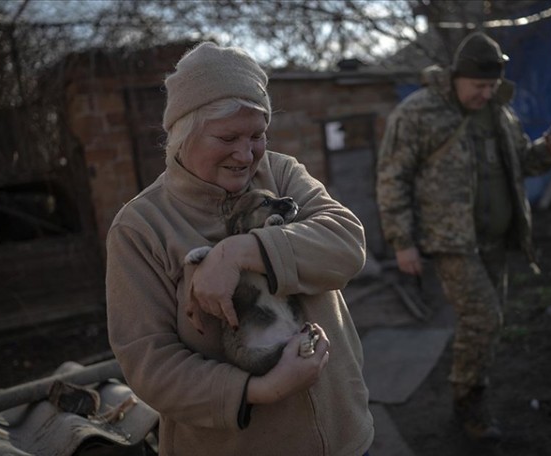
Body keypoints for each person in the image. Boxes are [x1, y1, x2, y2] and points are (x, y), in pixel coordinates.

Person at [106, 42, 374, 455]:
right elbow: (149, 363)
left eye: (257, 135)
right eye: (228, 136)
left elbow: (345, 242)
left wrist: (239, 253)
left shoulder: (281, 174)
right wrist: (259, 389)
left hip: (345, 437)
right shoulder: (140, 228)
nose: (246, 153)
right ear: (181, 134)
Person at [376, 31, 551, 441]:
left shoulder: (499, 112)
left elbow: (519, 166)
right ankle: (468, 404)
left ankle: (472, 387)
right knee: (484, 318)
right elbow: (393, 178)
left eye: (492, 85)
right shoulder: (418, 113)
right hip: (452, 242)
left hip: (496, 240)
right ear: (456, 77)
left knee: (486, 324)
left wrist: (546, 152)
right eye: (479, 86)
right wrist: (402, 240)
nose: (486, 93)